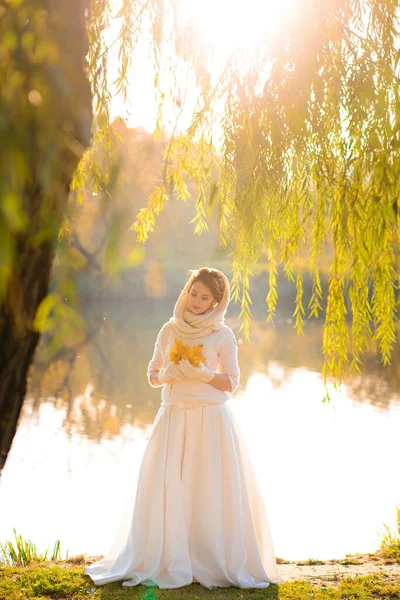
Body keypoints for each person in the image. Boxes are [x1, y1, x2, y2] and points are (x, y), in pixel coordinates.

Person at [84, 266, 284, 589]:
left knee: (207, 489)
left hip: (212, 421)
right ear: (187, 289)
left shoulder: (223, 335)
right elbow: (151, 374)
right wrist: (165, 376)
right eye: (193, 293)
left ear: (217, 302)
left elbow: (231, 382)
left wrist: (206, 375)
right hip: (174, 418)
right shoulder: (168, 329)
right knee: (167, 486)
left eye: (205, 298)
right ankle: (167, 555)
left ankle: (208, 557)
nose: (196, 301)